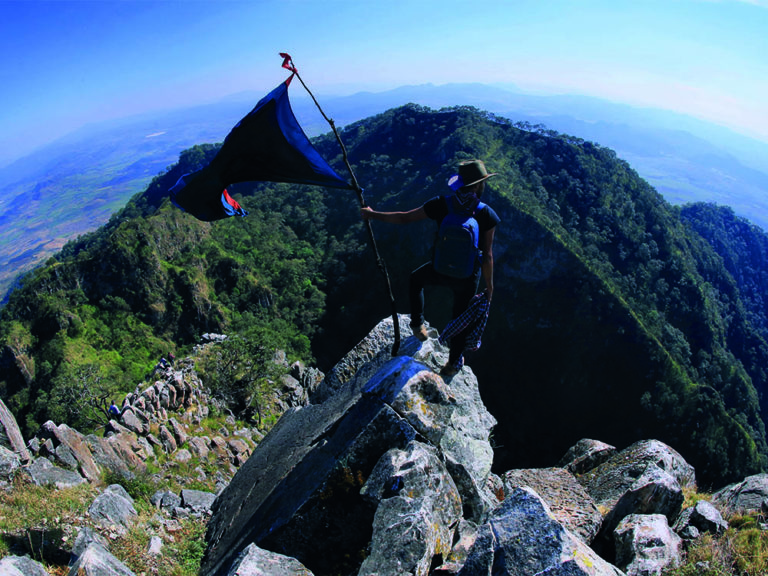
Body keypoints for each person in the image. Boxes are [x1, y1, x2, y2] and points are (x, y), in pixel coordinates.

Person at [361, 159, 500, 376]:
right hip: (467, 277)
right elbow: (488, 255)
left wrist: (372, 214)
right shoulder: (486, 214)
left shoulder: (442, 204)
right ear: (480, 184)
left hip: (440, 268)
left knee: (416, 279)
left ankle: (418, 326)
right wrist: (490, 287)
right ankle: (452, 364)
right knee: (460, 319)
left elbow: (404, 218)